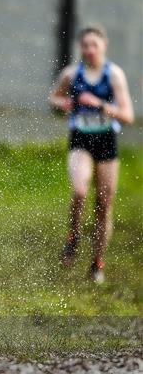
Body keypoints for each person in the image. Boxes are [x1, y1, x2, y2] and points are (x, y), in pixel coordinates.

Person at [49, 25, 134, 283]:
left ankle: (97, 262)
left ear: (103, 46)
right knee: (79, 190)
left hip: (106, 142)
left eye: (93, 45)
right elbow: (53, 99)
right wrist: (63, 105)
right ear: (80, 48)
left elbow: (128, 115)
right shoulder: (71, 74)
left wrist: (100, 105)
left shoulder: (114, 75)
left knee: (103, 206)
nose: (89, 50)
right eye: (85, 45)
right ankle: (72, 236)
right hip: (80, 139)